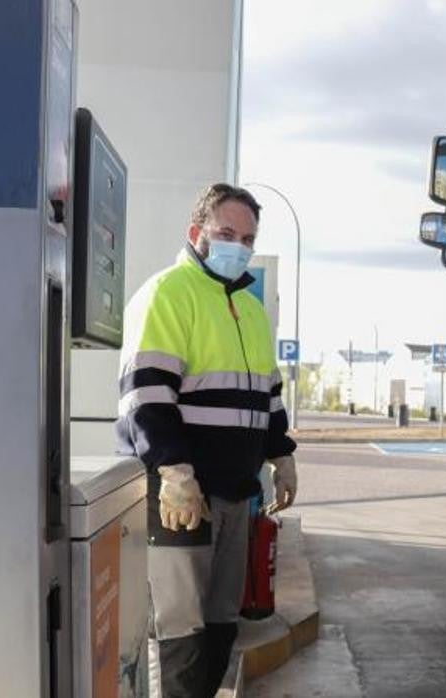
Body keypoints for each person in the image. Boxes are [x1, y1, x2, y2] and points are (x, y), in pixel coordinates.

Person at [116, 183, 298, 697]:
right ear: (197, 233)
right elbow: (146, 394)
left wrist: (281, 455)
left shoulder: (250, 310)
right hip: (182, 497)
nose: (237, 245)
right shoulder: (168, 293)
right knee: (179, 634)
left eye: (247, 237)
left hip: (237, 492)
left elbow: (270, 393)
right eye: (225, 233)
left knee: (221, 627)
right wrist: (174, 472)